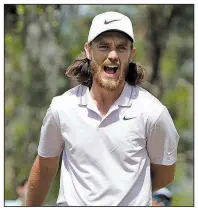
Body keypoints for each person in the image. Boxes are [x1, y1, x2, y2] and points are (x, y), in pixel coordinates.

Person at [26, 11, 180, 206]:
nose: (113, 55)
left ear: (131, 54)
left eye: (121, 48)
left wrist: (126, 191)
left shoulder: (153, 113)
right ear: (89, 51)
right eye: (104, 46)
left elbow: (165, 173)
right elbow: (45, 169)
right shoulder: (62, 108)